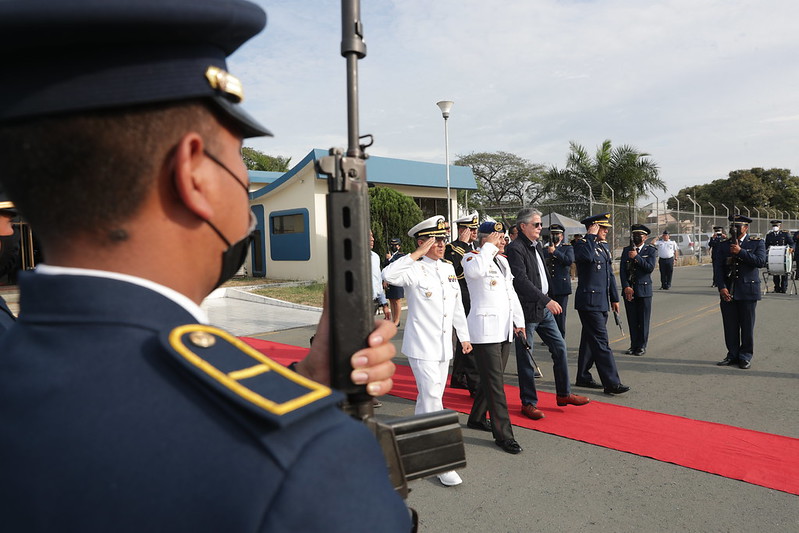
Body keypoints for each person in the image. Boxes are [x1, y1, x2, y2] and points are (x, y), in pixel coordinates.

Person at [0, 1, 411, 531]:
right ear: (193, 171)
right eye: (239, 156)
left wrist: (309, 380)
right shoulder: (303, 460)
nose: (244, 178)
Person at [382, 214, 472, 487]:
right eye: (436, 240)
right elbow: (388, 275)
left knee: (428, 397)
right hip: (422, 345)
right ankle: (440, 460)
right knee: (434, 398)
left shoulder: (446, 269)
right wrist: (416, 253)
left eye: (444, 239)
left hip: (444, 346)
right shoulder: (413, 268)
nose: (442, 244)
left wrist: (464, 337)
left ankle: (407, 446)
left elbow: (456, 306)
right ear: (423, 242)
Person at [506, 208, 590, 420]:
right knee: (527, 358)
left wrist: (549, 297)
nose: (540, 228)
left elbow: (542, 275)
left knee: (560, 347)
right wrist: (547, 300)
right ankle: (529, 403)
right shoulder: (516, 248)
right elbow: (521, 281)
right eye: (536, 224)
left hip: (543, 308)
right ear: (523, 226)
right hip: (526, 311)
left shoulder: (537, 246)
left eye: (540, 224)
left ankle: (564, 393)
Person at [462, 221, 525, 454]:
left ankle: (477, 418)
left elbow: (511, 294)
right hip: (485, 331)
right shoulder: (471, 258)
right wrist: (488, 247)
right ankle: (504, 435)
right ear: (485, 239)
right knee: (496, 384)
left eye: (503, 237)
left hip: (504, 329)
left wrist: (519, 322)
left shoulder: (503, 261)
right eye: (498, 237)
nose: (503, 241)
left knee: (492, 379)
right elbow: (476, 272)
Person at [573, 213, 630, 395]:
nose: (606, 231)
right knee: (602, 342)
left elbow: (609, 275)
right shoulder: (582, 245)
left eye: (606, 228)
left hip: (602, 302)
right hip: (589, 302)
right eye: (602, 227)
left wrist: (614, 298)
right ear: (593, 227)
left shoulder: (603, 246)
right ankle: (612, 382)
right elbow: (587, 258)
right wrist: (590, 236)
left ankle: (583, 376)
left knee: (590, 340)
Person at [713, 214, 766, 369]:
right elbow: (718, 268)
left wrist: (740, 251)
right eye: (732, 226)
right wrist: (721, 287)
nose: (733, 229)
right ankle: (732, 354)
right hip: (728, 290)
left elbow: (760, 262)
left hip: (748, 290)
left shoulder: (756, 243)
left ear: (746, 228)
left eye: (737, 226)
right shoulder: (723, 245)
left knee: (747, 325)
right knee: (730, 326)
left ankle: (745, 356)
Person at [444, 212, 480, 395]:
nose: (474, 232)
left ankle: (458, 377)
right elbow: (451, 267)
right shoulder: (452, 247)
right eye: (471, 229)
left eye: (475, 229)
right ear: (462, 230)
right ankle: (475, 385)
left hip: (474, 297)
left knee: (464, 340)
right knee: (469, 340)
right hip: (461, 298)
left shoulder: (475, 248)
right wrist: (463, 244)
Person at [619, 224, 657, 356]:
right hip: (630, 290)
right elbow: (623, 271)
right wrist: (626, 286)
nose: (636, 237)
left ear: (645, 237)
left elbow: (649, 268)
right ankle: (633, 344)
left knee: (643, 319)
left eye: (639, 235)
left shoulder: (650, 250)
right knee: (632, 319)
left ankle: (641, 346)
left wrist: (636, 257)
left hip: (644, 290)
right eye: (634, 235)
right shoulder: (626, 250)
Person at [543, 223, 574, 338]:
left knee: (560, 314)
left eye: (557, 234)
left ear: (561, 236)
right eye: (553, 234)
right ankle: (551, 336)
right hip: (549, 286)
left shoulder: (567, 247)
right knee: (549, 314)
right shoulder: (545, 249)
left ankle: (560, 336)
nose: (555, 236)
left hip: (562, 286)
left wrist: (555, 252)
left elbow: (569, 261)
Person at [764, 220, 794, 293]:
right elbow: (766, 245)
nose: (775, 227)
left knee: (784, 272)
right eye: (774, 226)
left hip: (784, 256)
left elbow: (792, 243)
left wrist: (791, 248)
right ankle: (777, 287)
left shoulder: (785, 234)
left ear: (779, 226)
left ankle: (784, 288)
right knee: (775, 272)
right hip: (774, 256)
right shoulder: (769, 235)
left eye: (776, 226)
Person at [384, 237, 405, 327]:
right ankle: (394, 319)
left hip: (397, 281)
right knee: (391, 300)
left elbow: (398, 266)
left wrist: (390, 259)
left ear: (399, 246)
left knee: (397, 300)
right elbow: (385, 268)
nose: (393, 247)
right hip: (389, 282)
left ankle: (397, 320)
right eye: (392, 245)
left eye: (395, 245)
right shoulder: (388, 255)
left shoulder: (401, 255)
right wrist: (384, 280)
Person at [370, 230, 390, 321]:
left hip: (373, 304)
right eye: (368, 236)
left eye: (372, 236)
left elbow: (377, 281)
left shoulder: (375, 257)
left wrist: (384, 304)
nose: (372, 239)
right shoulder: (350, 258)